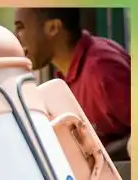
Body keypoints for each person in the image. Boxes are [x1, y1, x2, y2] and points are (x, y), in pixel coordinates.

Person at [14, 8, 131, 160]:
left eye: (20, 27)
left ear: (53, 28)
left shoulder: (101, 70)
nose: (16, 38)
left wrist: (96, 155)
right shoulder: (63, 80)